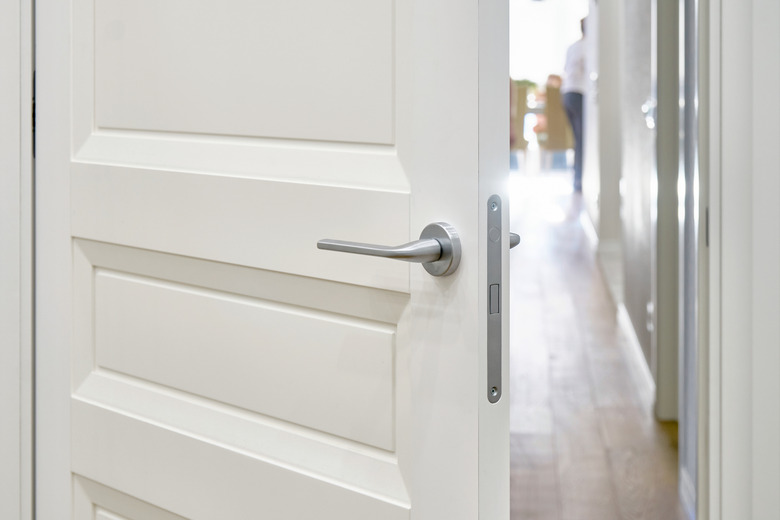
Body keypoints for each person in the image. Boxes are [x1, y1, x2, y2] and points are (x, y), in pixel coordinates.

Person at [561, 18, 587, 192]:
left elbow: (566, 69)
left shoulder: (573, 46)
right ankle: (579, 179)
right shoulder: (590, 46)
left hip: (567, 94)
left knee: (578, 138)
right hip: (579, 93)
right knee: (582, 138)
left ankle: (578, 177)